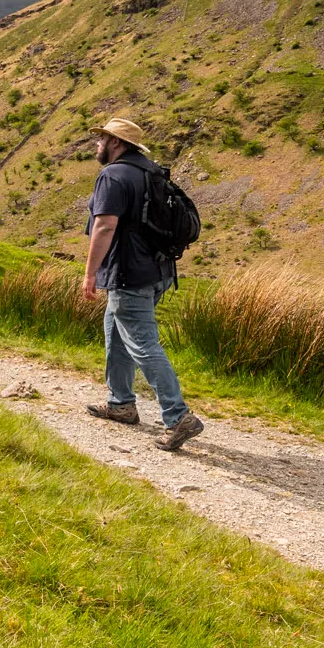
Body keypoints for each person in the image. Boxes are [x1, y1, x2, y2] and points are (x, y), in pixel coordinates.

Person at [79, 116, 205, 452]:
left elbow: (105, 226)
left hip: (128, 274)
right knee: (115, 330)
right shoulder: (151, 171)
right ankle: (121, 403)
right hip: (158, 272)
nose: (97, 145)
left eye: (101, 139)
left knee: (143, 344)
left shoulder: (112, 175)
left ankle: (178, 417)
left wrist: (90, 273)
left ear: (115, 143)